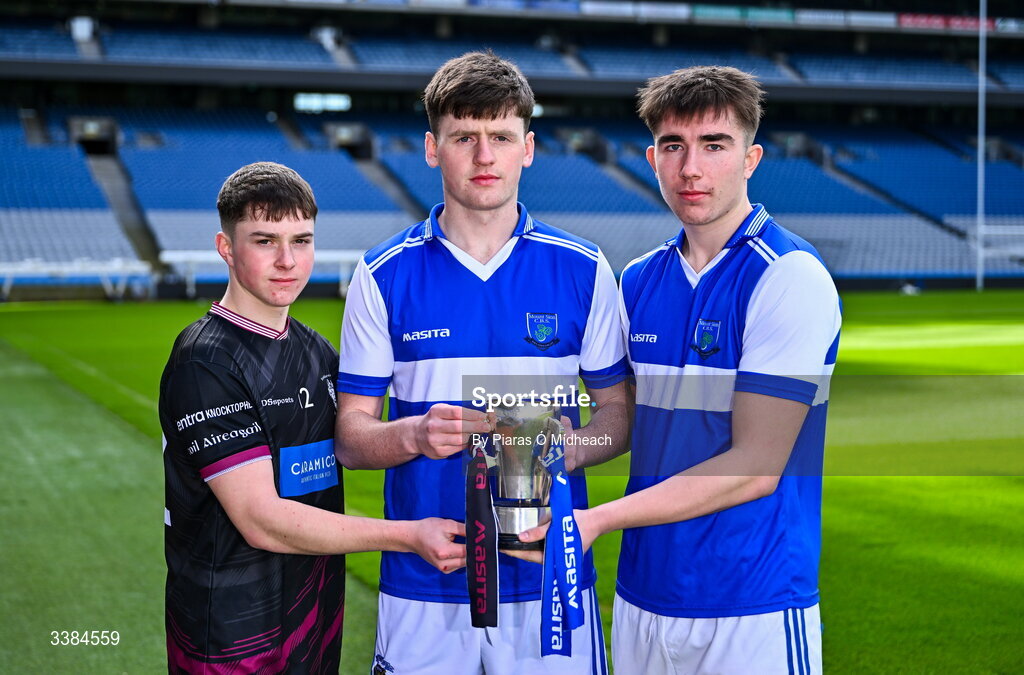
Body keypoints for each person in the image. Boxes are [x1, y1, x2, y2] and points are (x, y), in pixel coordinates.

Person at [518, 66, 842, 674]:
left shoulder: (788, 276)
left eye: (714, 146)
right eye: (674, 146)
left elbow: (755, 468)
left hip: (752, 601)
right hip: (644, 596)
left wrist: (596, 520)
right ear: (653, 158)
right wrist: (544, 449)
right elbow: (629, 422)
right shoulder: (638, 280)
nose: (691, 167)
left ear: (751, 158)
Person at [334, 52, 630, 675]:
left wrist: (571, 449)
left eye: (500, 137)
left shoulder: (583, 269)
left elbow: (617, 414)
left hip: (549, 573)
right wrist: (414, 433)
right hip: (424, 580)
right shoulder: (382, 275)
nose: (484, 155)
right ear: (432, 148)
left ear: (528, 147)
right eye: (464, 137)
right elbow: (351, 439)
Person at [159, 162, 466, 674]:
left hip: (313, 623)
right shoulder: (205, 361)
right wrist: (409, 535)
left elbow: (352, 446)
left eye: (301, 240)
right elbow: (262, 521)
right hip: (231, 636)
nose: (287, 261)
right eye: (265, 241)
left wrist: (421, 432)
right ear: (225, 248)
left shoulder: (317, 351)